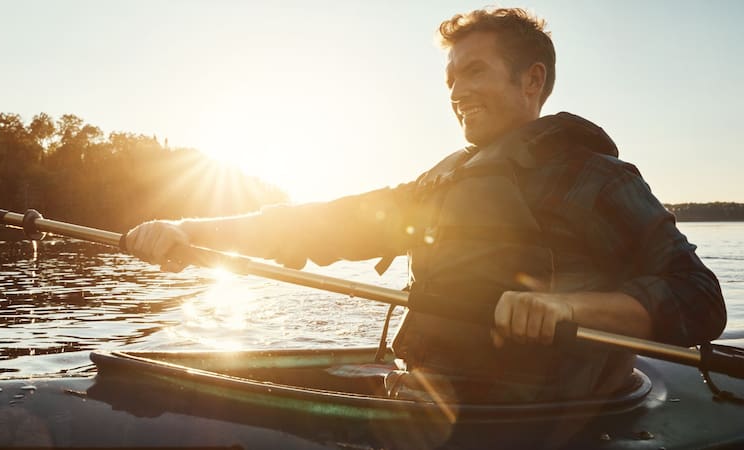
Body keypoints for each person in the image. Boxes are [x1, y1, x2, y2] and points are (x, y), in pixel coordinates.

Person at [126, 7, 725, 402]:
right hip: (432, 397)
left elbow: (700, 297)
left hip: (548, 414)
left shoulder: (601, 180)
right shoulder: (440, 184)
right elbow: (319, 224)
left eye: (474, 72)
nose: (458, 92)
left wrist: (571, 306)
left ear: (533, 82)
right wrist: (188, 227)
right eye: (450, 81)